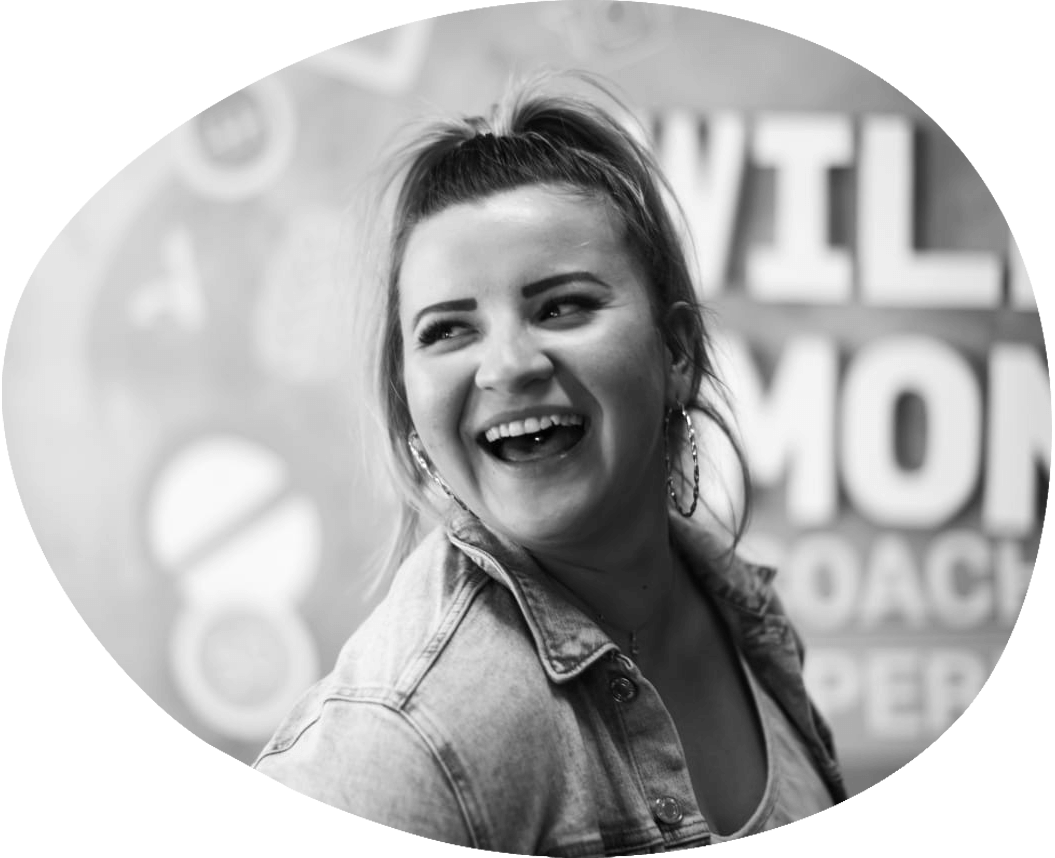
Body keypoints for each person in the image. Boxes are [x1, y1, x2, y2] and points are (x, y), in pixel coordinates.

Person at [253, 71, 846, 853]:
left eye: (561, 306)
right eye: (447, 330)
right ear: (408, 402)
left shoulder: (742, 611)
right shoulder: (406, 735)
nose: (507, 366)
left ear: (675, 352)